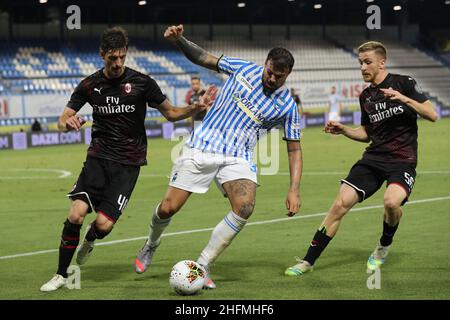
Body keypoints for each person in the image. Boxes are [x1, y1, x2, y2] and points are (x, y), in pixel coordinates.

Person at [40, 26, 212, 292]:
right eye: (112, 58)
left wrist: (194, 108)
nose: (118, 63)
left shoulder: (143, 83)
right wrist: (68, 124)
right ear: (102, 55)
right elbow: (61, 121)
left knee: (103, 225)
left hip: (128, 165)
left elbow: (171, 112)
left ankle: (90, 239)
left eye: (121, 57)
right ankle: (61, 274)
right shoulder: (89, 85)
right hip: (98, 158)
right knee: (76, 213)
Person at [135, 24, 303, 289]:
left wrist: (294, 189)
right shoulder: (243, 68)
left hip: (238, 156)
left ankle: (201, 266)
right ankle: (151, 243)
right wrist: (180, 41)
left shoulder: (287, 106)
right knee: (169, 207)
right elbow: (203, 57)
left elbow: (294, 149)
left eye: (279, 77)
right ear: (265, 64)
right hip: (202, 146)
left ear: (288, 75)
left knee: (245, 207)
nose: (272, 79)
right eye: (270, 72)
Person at [284, 41, 438, 277]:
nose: (363, 67)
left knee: (391, 202)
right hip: (374, 159)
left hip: (402, 160)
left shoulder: (403, 83)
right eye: (360, 63)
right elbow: (367, 134)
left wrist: (403, 98)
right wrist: (344, 130)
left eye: (367, 62)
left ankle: (383, 246)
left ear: (381, 62)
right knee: (339, 205)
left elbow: (432, 115)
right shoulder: (366, 96)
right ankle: (308, 261)